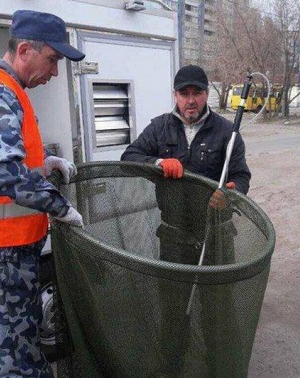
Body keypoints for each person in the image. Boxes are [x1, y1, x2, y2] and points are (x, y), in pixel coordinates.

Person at [121, 64, 251, 376]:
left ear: (207, 94)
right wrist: (157, 162)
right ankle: (171, 369)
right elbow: (129, 159)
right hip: (174, 237)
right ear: (176, 95)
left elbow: (241, 176)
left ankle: (219, 368)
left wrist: (231, 193)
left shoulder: (227, 133)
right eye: (184, 94)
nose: (190, 100)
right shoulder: (159, 128)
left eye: (197, 93)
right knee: (174, 309)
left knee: (218, 311)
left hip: (216, 236)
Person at [0, 10, 85, 378]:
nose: (55, 72)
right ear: (25, 49)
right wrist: (59, 205)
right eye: (52, 60)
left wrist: (44, 164)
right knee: (13, 361)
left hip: (4, 257)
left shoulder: (6, 89)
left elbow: (5, 161)